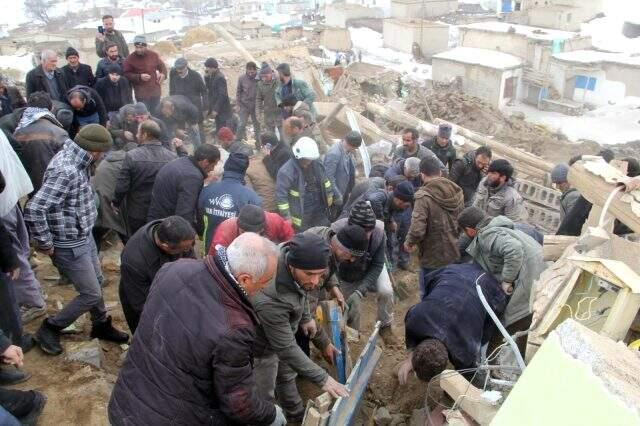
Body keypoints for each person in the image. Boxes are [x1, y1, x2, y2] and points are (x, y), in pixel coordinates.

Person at [109, 233, 286, 426]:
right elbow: (239, 405)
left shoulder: (173, 269)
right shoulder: (234, 327)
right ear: (244, 279)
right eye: (264, 283)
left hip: (125, 405)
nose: (264, 289)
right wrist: (271, 414)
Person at [24, 124, 129, 356]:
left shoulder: (79, 161)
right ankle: (50, 327)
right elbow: (34, 209)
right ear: (94, 151)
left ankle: (100, 324)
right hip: (69, 243)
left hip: (83, 235)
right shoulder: (67, 170)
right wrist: (46, 243)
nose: (103, 156)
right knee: (90, 293)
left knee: (97, 281)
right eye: (102, 152)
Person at [252, 234, 348, 423]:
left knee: (287, 373)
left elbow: (301, 289)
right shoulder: (271, 294)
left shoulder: (296, 265)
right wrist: (323, 379)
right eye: (310, 274)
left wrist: (306, 318)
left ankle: (295, 416)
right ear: (292, 265)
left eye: (320, 274)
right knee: (263, 397)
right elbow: (286, 348)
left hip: (281, 331)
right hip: (258, 345)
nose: (315, 281)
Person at [397, 263, 507, 385]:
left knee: (485, 340)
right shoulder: (415, 318)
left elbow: (467, 376)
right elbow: (413, 339)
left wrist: (448, 399)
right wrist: (409, 360)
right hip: (454, 272)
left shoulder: (466, 351)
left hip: (490, 288)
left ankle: (488, 368)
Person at [458, 207, 545, 354]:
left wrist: (507, 280)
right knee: (525, 324)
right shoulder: (502, 228)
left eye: (463, 231)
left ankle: (490, 366)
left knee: (503, 327)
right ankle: (523, 358)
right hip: (540, 278)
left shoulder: (487, 235)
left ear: (470, 230)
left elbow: (514, 249)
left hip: (529, 282)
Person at [308, 201, 396, 341]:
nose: (366, 236)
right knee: (344, 306)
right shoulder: (337, 231)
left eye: (369, 231)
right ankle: (348, 340)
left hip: (369, 266)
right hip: (345, 274)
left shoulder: (378, 233)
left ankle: (385, 325)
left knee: (386, 291)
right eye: (362, 230)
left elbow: (378, 265)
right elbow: (331, 267)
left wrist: (360, 290)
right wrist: (335, 286)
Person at [119, 216, 196, 333]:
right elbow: (143, 305)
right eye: (185, 249)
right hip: (140, 293)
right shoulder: (134, 261)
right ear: (165, 246)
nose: (189, 250)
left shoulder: (175, 232)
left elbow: (191, 263)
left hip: (169, 285)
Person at [0, 132, 46, 325]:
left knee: (14, 254)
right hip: (11, 194)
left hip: (3, 202)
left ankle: (32, 302)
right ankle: (32, 289)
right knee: (20, 248)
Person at [404, 157, 464, 296]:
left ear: (422, 175)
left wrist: (409, 242)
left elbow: (417, 230)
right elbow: (462, 221)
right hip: (453, 252)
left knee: (428, 294)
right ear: (440, 173)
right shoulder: (457, 192)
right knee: (446, 291)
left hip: (432, 256)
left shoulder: (423, 197)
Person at [113, 120, 177, 238]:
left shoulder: (132, 155)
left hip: (137, 212)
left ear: (145, 134)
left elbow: (122, 186)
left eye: (138, 132)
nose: (136, 135)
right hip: (162, 212)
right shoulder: (172, 157)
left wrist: (116, 203)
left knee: (139, 243)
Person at [148, 144, 220, 233]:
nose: (212, 169)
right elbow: (185, 213)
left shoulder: (181, 161)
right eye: (213, 165)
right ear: (205, 162)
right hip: (166, 227)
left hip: (155, 219)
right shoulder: (192, 177)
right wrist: (187, 237)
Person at [198, 152, 262, 251]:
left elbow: (199, 218)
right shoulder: (251, 197)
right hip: (237, 255)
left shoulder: (206, 191)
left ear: (225, 167)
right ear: (244, 171)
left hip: (210, 250)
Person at [12, 92, 67, 193]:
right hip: (55, 187)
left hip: (29, 187)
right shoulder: (59, 133)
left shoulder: (17, 133)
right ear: (51, 109)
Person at [276, 137, 334, 232]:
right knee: (305, 236)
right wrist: (287, 217)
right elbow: (281, 197)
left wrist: (329, 195)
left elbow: (325, 181)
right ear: (298, 156)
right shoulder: (286, 171)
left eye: (310, 159)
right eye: (306, 159)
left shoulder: (316, 163)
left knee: (324, 231)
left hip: (319, 206)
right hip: (302, 211)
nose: (308, 162)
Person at [91, 142, 136, 249]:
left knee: (97, 231)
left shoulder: (110, 158)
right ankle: (133, 256)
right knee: (125, 232)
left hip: (97, 198)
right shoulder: (126, 162)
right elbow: (126, 186)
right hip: (109, 201)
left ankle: (94, 260)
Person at [210, 204, 294, 251]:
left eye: (252, 234)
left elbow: (290, 239)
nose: (246, 238)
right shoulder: (226, 230)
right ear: (238, 226)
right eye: (243, 232)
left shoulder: (274, 221)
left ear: (261, 229)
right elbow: (215, 258)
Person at [123, 35, 167, 113]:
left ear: (146, 46)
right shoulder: (130, 59)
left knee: (157, 113)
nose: (139, 50)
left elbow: (162, 67)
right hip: (141, 94)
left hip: (155, 92)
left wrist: (163, 74)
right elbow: (126, 74)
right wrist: (139, 77)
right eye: (137, 47)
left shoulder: (153, 55)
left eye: (141, 47)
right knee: (144, 115)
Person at [169, 58, 207, 145]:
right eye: (177, 69)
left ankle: (203, 149)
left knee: (198, 131)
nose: (179, 71)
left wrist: (205, 107)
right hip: (181, 109)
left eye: (181, 69)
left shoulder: (195, 76)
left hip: (195, 108)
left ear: (186, 66)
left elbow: (204, 92)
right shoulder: (175, 77)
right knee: (181, 132)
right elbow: (172, 92)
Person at [324, 131, 361, 213]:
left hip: (344, 190)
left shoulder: (347, 151)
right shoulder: (334, 154)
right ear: (351, 144)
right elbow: (328, 177)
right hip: (335, 194)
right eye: (354, 148)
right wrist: (337, 195)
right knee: (333, 215)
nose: (354, 150)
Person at [246, 133, 279, 212]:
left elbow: (248, 194)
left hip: (263, 209)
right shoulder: (269, 159)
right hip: (278, 204)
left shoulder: (246, 168)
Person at [204, 57, 232, 131]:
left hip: (222, 110)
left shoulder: (220, 78)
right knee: (219, 130)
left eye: (208, 67)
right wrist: (206, 78)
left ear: (213, 67)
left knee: (223, 130)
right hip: (218, 109)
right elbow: (210, 90)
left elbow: (222, 95)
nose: (206, 69)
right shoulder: (213, 76)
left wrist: (216, 109)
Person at [236, 61, 260, 146]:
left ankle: (258, 145)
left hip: (255, 106)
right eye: (249, 71)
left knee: (257, 126)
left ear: (255, 70)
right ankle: (237, 143)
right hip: (244, 105)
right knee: (241, 124)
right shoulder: (241, 78)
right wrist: (238, 104)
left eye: (252, 71)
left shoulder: (259, 78)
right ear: (246, 70)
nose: (250, 73)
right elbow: (238, 92)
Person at [256, 62, 279, 134]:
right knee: (271, 137)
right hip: (268, 114)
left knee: (283, 137)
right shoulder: (260, 84)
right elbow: (258, 99)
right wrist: (258, 112)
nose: (264, 78)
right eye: (262, 76)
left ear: (271, 73)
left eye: (266, 76)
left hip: (280, 114)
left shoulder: (279, 81)